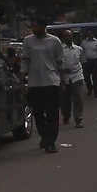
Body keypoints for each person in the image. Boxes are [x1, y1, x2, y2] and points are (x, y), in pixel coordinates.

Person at [21, 16, 65, 153]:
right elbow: (25, 60)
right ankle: (44, 136)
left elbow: (60, 62)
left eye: (35, 26)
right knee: (38, 114)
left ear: (43, 26)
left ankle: (50, 142)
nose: (33, 29)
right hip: (34, 83)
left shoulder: (54, 41)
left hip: (51, 81)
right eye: (32, 27)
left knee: (52, 114)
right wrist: (22, 80)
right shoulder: (28, 41)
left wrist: (62, 80)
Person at [60, 29, 85, 128]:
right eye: (66, 36)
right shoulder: (60, 49)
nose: (68, 37)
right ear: (63, 38)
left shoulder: (78, 49)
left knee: (77, 98)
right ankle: (66, 116)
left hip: (77, 76)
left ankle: (78, 119)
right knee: (64, 100)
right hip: (64, 78)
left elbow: (82, 61)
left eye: (69, 35)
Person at [81, 29, 97, 97]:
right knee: (86, 77)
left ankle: (96, 92)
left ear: (93, 34)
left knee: (96, 77)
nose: (90, 35)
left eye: (91, 33)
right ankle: (90, 88)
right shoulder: (84, 42)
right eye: (88, 33)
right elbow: (82, 53)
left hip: (95, 61)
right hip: (86, 62)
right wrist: (82, 61)